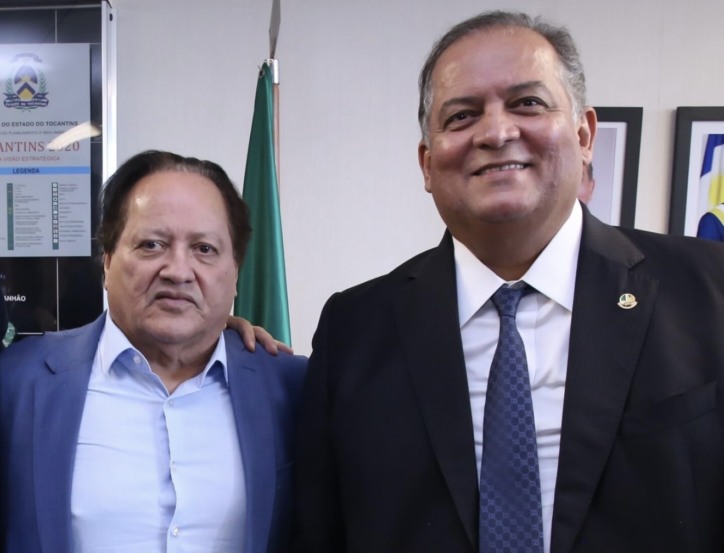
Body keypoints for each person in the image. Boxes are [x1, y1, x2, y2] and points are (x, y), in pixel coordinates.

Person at [292, 10, 724, 553]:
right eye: (462, 115)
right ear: (427, 163)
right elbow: (318, 531)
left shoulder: (709, 291)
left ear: (584, 135)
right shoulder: (354, 328)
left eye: (528, 103)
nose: (496, 132)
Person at [0, 150, 307, 553]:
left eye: (204, 249)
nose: (178, 271)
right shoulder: (17, 383)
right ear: (107, 262)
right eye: (152, 244)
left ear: (235, 272)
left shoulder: (293, 388)